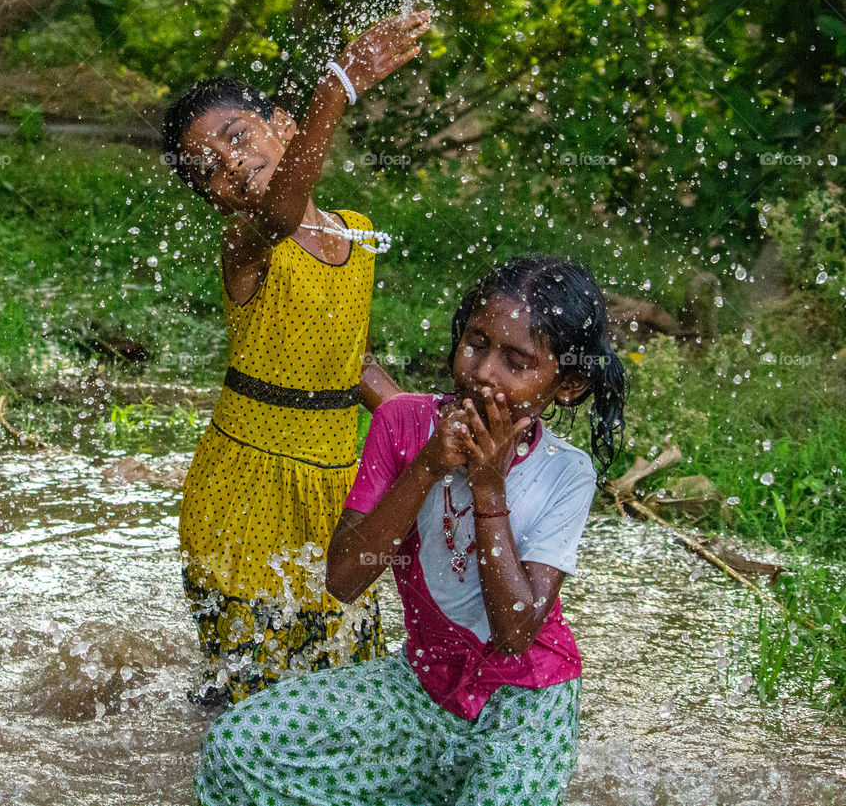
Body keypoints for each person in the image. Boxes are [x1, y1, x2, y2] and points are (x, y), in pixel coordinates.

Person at [196, 254, 628, 806]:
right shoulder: (402, 424)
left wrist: (489, 488)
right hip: (421, 687)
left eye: (516, 362)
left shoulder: (567, 473)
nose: (484, 373)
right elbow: (345, 579)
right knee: (236, 748)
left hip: (527, 702)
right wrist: (426, 466)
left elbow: (516, 632)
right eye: (475, 344)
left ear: (565, 384)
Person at [161, 10, 432, 705]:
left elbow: (353, 360)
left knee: (346, 678)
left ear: (283, 125)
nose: (230, 164)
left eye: (237, 136)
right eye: (208, 169)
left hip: (335, 494)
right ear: (213, 203)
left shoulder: (359, 237)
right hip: (244, 500)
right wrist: (337, 86)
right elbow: (280, 214)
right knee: (249, 696)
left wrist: (429, 425)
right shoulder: (246, 246)